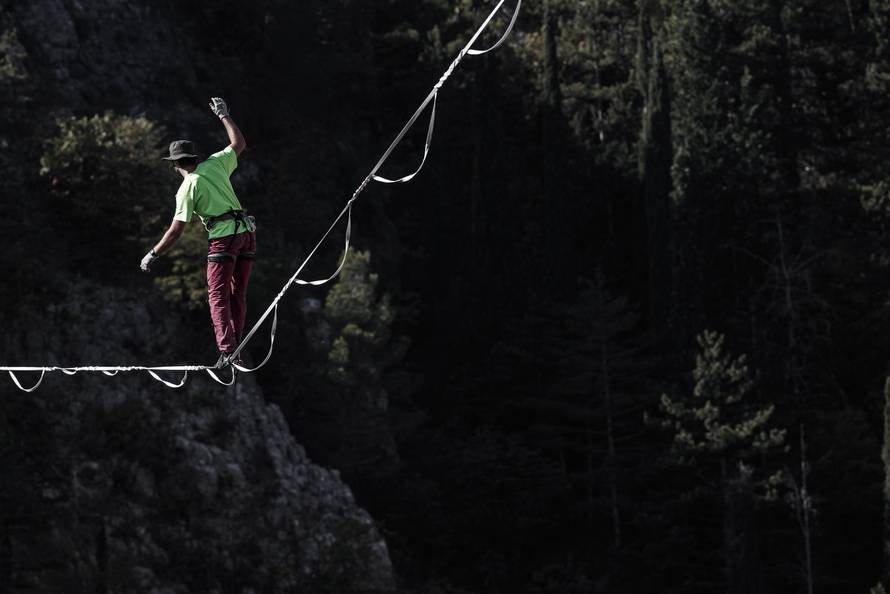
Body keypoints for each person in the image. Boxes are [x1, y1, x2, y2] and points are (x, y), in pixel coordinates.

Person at [140, 97, 256, 368]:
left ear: (175, 165)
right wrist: (224, 115)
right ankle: (235, 347)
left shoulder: (187, 187)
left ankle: (228, 350)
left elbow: (175, 231)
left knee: (217, 296)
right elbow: (239, 144)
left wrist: (152, 254)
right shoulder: (215, 164)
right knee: (237, 293)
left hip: (224, 239)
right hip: (247, 233)